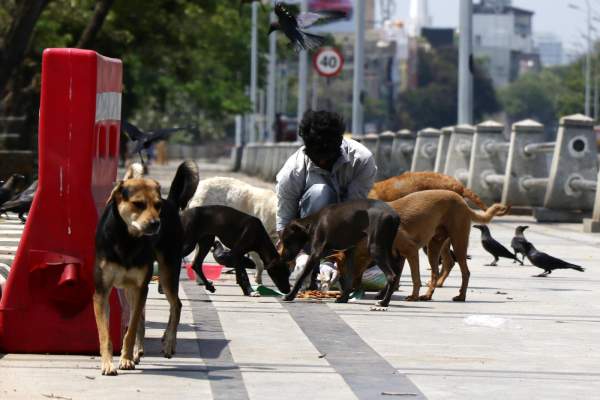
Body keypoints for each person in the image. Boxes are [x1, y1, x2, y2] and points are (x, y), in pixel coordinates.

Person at [275, 110, 377, 284]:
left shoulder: (362, 160)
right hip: (307, 235)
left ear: (339, 145)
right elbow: (285, 222)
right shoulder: (292, 171)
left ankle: (330, 264)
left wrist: (334, 259)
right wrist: (298, 256)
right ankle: (307, 263)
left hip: (347, 230)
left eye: (328, 159)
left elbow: (352, 213)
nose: (322, 163)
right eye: (317, 159)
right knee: (320, 192)